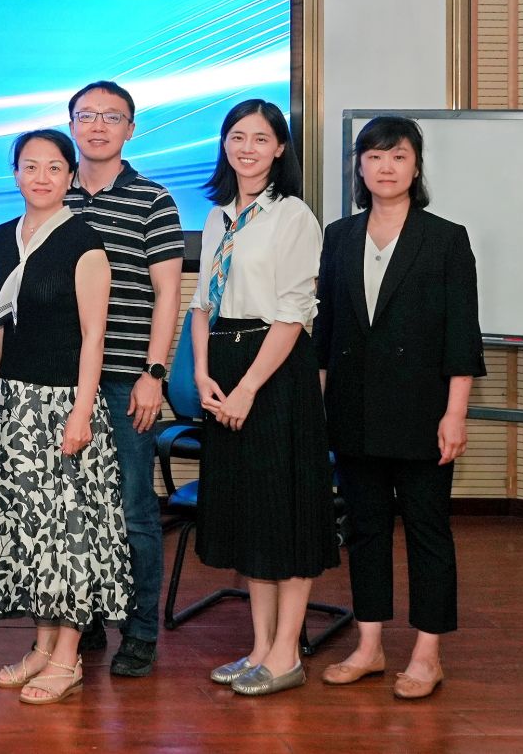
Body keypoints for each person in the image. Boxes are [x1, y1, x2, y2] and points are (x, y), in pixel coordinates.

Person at [314, 115, 484, 701]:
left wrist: (455, 414)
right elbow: (325, 334)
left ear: (416, 166)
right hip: (353, 410)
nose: (386, 167)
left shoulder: (446, 238)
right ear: (359, 167)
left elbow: (462, 336)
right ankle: (369, 647)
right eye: (374, 156)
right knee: (365, 531)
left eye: (399, 156)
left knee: (427, 532)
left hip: (422, 414)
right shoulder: (338, 236)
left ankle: (428, 654)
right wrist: (319, 409)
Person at [0, 129, 132, 706]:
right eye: (30, 166)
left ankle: (68, 657)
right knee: (29, 530)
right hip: (13, 403)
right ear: (15, 173)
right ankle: (41, 646)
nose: (41, 177)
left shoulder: (84, 242)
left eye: (54, 167)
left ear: (70, 177)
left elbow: (95, 337)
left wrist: (82, 411)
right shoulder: (1, 238)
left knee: (69, 531)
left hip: (65, 405)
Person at [187, 96, 335, 697]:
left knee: (284, 515)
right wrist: (202, 375)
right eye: (237, 137)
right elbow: (202, 304)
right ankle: (258, 648)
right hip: (224, 364)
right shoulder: (218, 216)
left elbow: (295, 313)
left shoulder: (293, 215)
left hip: (274, 373)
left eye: (260, 139)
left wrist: (248, 388)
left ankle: (286, 653)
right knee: (251, 516)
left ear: (279, 149)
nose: (246, 148)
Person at [61, 78, 186, 677]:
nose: (98, 125)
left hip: (126, 379)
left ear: (130, 130)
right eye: (87, 115)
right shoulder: (54, 193)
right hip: (61, 383)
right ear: (71, 125)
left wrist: (154, 373)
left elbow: (169, 294)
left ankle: (139, 632)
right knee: (72, 507)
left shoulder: (153, 199)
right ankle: (82, 618)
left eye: (112, 116)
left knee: (134, 509)